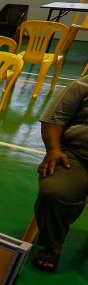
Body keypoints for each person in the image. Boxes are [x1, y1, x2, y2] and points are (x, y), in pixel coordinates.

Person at [30, 77, 88, 272]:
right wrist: (53, 149)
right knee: (55, 192)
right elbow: (53, 119)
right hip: (75, 154)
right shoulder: (82, 86)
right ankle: (52, 244)